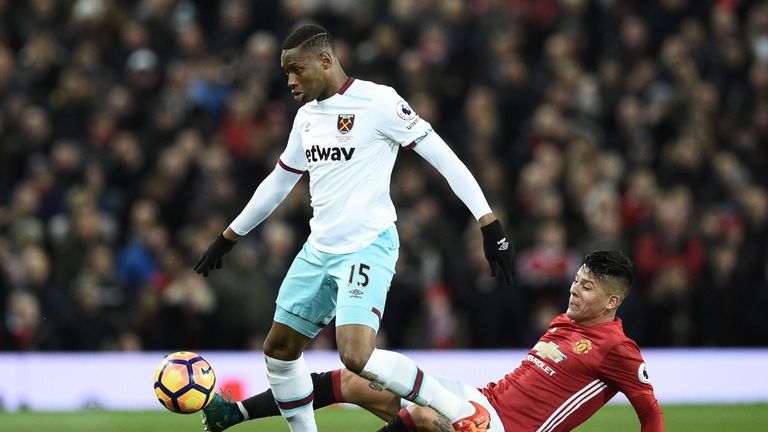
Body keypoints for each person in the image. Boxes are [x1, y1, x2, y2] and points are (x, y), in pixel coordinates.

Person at [194, 24, 515, 432]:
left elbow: (442, 156)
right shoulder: (306, 118)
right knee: (279, 349)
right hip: (319, 249)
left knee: (356, 355)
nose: (290, 80)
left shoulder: (379, 102)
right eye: (285, 72)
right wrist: (229, 237)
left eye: (297, 69)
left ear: (325, 61)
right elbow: (278, 181)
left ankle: (460, 410)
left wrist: (489, 223)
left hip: (367, 246)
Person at [201, 250, 664, 432]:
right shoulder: (565, 322)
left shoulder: (617, 348)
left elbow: (651, 412)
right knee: (357, 378)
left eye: (587, 287)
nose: (574, 289)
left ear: (612, 302)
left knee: (422, 415)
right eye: (577, 280)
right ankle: (234, 413)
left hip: (505, 430)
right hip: (482, 403)